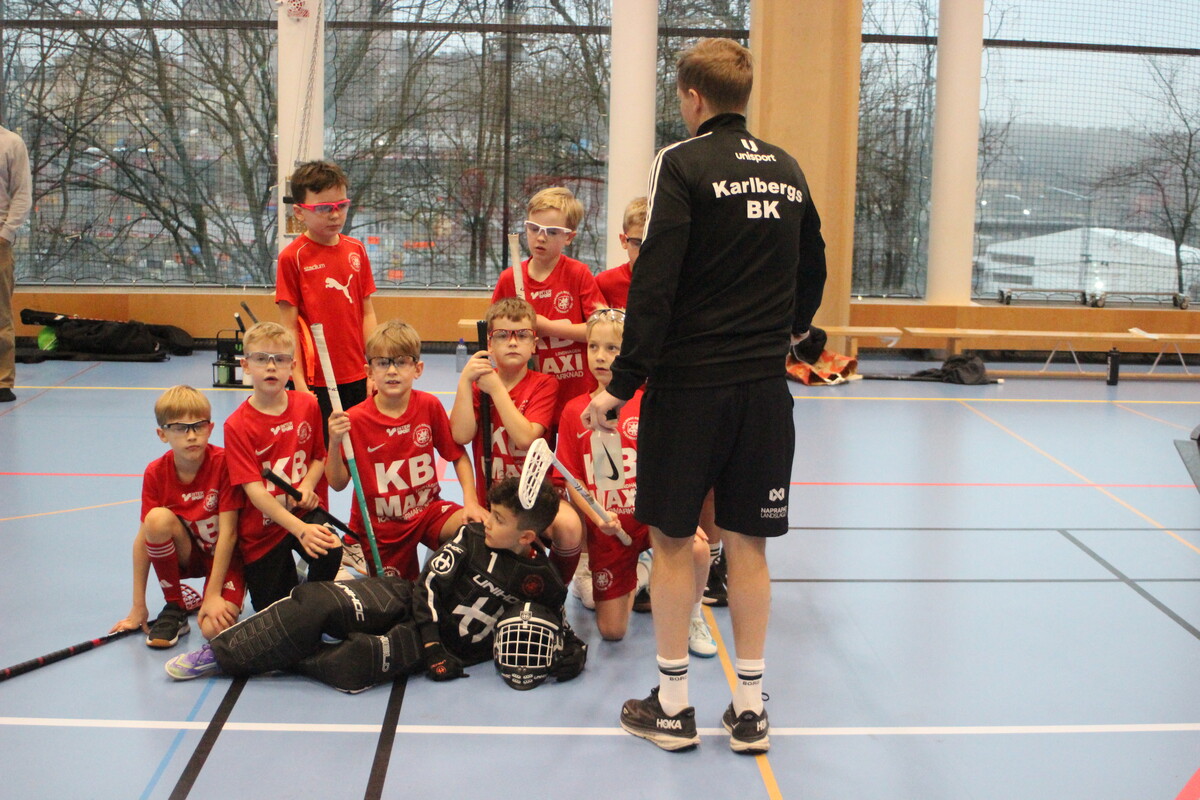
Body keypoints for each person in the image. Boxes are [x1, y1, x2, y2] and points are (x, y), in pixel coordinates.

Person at [582, 38, 827, 754]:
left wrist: (622, 382)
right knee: (748, 544)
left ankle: (672, 705)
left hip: (689, 388)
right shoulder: (787, 168)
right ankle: (749, 710)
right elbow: (812, 263)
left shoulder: (682, 162)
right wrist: (790, 330)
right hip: (763, 389)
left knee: (670, 541)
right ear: (742, 96)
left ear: (692, 97)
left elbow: (655, 277)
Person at [163, 477, 585, 692]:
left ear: (527, 536)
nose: (486, 520)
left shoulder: (544, 583)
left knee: (354, 664)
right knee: (317, 604)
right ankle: (221, 654)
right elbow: (428, 587)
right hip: (410, 604)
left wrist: (574, 659)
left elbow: (561, 630)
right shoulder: (472, 535)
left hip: (442, 648)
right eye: (491, 512)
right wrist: (433, 645)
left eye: (499, 519)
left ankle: (287, 658)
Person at [556, 308, 716, 656]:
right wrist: (597, 518)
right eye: (594, 346)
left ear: (629, 353)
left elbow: (672, 467)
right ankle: (643, 571)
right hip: (609, 530)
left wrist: (682, 517)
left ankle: (692, 617)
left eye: (612, 348)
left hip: (650, 518)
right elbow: (571, 480)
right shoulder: (572, 411)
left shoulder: (648, 404)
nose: (600, 356)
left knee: (698, 550)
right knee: (612, 632)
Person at [326, 319, 484, 580]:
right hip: (383, 529)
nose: (392, 370)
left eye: (401, 362)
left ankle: (439, 572)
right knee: (401, 597)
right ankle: (356, 550)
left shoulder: (429, 406)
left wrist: (471, 501)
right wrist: (334, 442)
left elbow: (457, 456)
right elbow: (337, 483)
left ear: (418, 368)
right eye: (382, 362)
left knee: (476, 531)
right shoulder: (355, 419)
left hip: (428, 512)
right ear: (369, 371)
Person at [451, 298, 583, 582]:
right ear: (489, 343)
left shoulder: (544, 384)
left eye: (522, 335)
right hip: (493, 500)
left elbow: (525, 438)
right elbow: (460, 435)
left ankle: (555, 588)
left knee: (570, 526)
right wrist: (464, 382)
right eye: (502, 335)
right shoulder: (478, 386)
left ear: (534, 344)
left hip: (535, 498)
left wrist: (496, 390)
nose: (512, 342)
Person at [111, 385, 244, 648]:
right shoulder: (155, 473)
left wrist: (213, 595)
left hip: (227, 558)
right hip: (189, 553)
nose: (191, 436)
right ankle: (175, 607)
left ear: (211, 428)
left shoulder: (224, 464)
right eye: (181, 428)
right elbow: (142, 541)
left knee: (213, 630)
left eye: (199, 426)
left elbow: (229, 534)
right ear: (162, 434)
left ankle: (217, 593)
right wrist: (138, 606)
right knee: (156, 520)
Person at [222, 321, 343, 612]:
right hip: (263, 531)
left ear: (292, 366)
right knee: (275, 610)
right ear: (245, 365)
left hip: (301, 512)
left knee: (330, 547)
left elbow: (318, 457)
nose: (271, 367)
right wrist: (300, 530)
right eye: (261, 358)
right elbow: (255, 492)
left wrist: (308, 486)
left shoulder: (307, 405)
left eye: (280, 359)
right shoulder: (236, 425)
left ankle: (314, 602)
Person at [276, 160, 378, 430]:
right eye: (323, 208)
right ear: (299, 212)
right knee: (324, 449)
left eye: (341, 206)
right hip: (316, 380)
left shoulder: (357, 250)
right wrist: (298, 381)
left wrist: (375, 366)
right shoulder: (292, 258)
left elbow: (367, 312)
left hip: (358, 374)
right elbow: (288, 327)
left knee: (359, 444)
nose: (335, 215)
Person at [491, 186, 605, 423]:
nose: (540, 237)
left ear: (569, 237)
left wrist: (547, 327)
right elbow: (492, 336)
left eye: (552, 232)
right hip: (530, 396)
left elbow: (600, 331)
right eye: (534, 229)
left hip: (576, 391)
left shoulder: (578, 273)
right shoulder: (509, 279)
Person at [0, 123, 32, 403]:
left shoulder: (11, 143)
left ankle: (1, 380)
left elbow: (22, 192)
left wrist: (6, 233)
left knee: (0, 315)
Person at [595, 197, 646, 310]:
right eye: (638, 243)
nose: (645, 252)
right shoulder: (604, 283)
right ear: (624, 241)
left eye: (651, 245)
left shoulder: (673, 284)